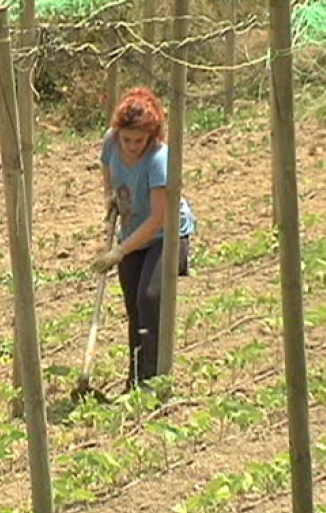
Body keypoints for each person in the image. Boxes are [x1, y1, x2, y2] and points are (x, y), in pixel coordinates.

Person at [92, 87, 197, 391]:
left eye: (139, 140)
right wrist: (110, 196)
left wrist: (119, 251)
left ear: (152, 135)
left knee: (149, 298)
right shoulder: (111, 143)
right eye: (127, 139)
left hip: (166, 234)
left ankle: (155, 380)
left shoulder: (159, 159)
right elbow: (106, 168)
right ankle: (135, 379)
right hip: (132, 228)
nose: (132, 145)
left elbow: (157, 219)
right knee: (133, 305)